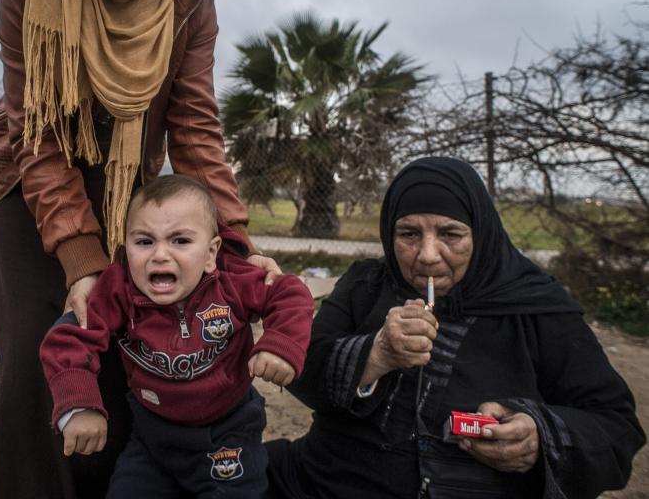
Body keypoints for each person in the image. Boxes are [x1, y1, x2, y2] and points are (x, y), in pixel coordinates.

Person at [0, 0, 281, 496]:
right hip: (35, 189)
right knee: (50, 357)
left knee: (126, 355)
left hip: (129, 195)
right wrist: (82, 261)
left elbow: (195, 129)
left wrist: (237, 248)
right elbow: (37, 134)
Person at [266, 157, 646, 499]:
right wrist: (375, 354)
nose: (428, 255)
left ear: (480, 234)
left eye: (450, 234)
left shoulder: (537, 308)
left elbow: (615, 427)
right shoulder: (367, 286)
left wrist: (538, 436)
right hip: (325, 481)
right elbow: (299, 367)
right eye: (409, 234)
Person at [40, 175, 314, 497]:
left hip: (228, 432)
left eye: (180, 241)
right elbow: (69, 335)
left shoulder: (231, 282)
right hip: (152, 436)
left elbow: (290, 293)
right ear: (126, 247)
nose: (160, 255)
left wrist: (280, 344)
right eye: (144, 241)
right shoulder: (118, 291)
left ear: (211, 252)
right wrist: (79, 403)